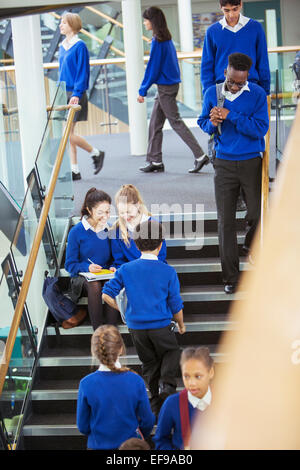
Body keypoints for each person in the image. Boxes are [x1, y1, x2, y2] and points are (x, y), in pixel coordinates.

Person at [197, 53, 269, 294]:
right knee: (225, 222)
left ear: (247, 77)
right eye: (232, 81)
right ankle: (230, 278)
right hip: (224, 163)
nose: (236, 86)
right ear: (226, 72)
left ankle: (250, 244)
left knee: (258, 213)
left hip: (251, 161)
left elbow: (260, 128)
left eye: (241, 82)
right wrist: (213, 122)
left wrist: (232, 116)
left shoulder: (257, 94)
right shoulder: (212, 93)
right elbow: (202, 124)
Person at [102, 219, 186, 416]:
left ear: (136, 244)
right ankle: (167, 386)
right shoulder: (167, 271)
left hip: (136, 328)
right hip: (160, 325)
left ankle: (155, 402)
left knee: (148, 363)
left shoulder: (126, 269)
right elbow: (175, 303)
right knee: (172, 352)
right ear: (160, 244)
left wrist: (124, 312)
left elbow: (106, 294)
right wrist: (181, 324)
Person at [137, 6, 209, 174]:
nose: (144, 22)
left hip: (165, 88)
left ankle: (200, 155)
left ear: (152, 21)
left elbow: (152, 69)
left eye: (146, 20)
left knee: (175, 121)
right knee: (155, 123)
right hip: (167, 86)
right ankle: (155, 160)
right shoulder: (164, 39)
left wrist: (142, 90)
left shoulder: (158, 41)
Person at [77, 325, 155, 450]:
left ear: (94, 351)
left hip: (97, 446)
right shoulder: (135, 380)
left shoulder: (86, 384)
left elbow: (82, 426)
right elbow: (148, 421)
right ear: (120, 349)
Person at [59, 12, 105, 181]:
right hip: (64, 92)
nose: (60, 25)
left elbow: (83, 73)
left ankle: (96, 153)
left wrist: (77, 94)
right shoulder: (62, 46)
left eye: (63, 23)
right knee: (69, 132)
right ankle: (75, 170)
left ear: (72, 25)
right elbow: (61, 73)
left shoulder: (80, 46)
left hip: (75, 94)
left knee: (68, 134)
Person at [65, 188, 119, 330]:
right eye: (100, 212)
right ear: (89, 210)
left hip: (104, 275)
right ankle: (99, 333)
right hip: (82, 279)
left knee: (112, 282)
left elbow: (115, 258)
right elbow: (70, 264)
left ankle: (111, 332)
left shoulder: (109, 230)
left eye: (107, 211)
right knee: (94, 285)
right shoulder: (76, 232)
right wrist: (87, 267)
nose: (105, 216)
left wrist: (113, 266)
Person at [201, 0, 271, 97]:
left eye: (235, 9)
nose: (231, 15)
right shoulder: (212, 31)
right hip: (223, 90)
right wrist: (208, 94)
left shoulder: (255, 27)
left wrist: (265, 92)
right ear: (221, 8)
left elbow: (263, 61)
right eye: (226, 10)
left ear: (241, 4)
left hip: (251, 88)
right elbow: (207, 67)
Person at [154, 346, 214, 450]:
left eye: (198, 376)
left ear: (211, 373)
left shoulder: (225, 401)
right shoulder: (172, 403)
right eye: (186, 376)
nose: (192, 383)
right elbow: (161, 439)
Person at [110, 184, 167, 268]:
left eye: (128, 212)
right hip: (130, 272)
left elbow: (161, 255)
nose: (125, 216)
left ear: (138, 205)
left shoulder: (153, 224)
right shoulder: (117, 230)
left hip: (153, 268)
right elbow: (119, 261)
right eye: (121, 213)